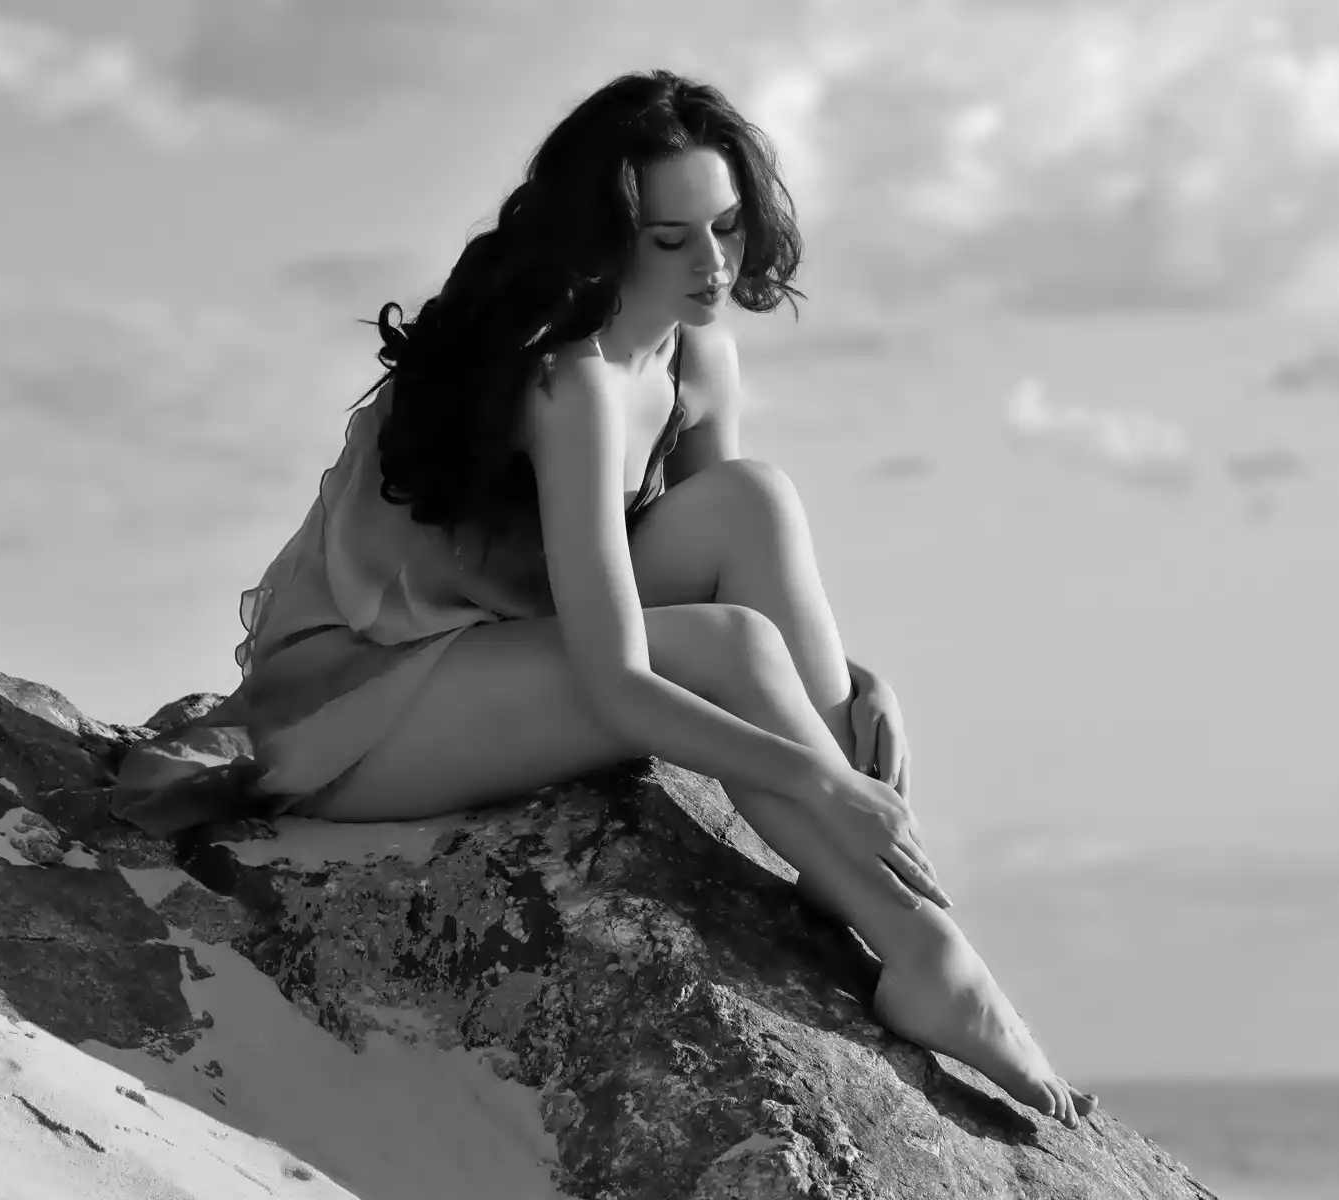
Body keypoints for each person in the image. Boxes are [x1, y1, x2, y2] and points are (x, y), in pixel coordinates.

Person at [212, 69, 1095, 1128]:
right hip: (358, 708)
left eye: (725, 227)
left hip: (500, 649)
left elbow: (740, 572)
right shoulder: (570, 380)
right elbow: (623, 676)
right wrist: (823, 777)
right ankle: (923, 949)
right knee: (729, 652)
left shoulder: (696, 358)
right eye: (672, 239)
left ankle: (849, 879)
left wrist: (852, 689)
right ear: (607, 239)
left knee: (754, 500)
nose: (714, 264)